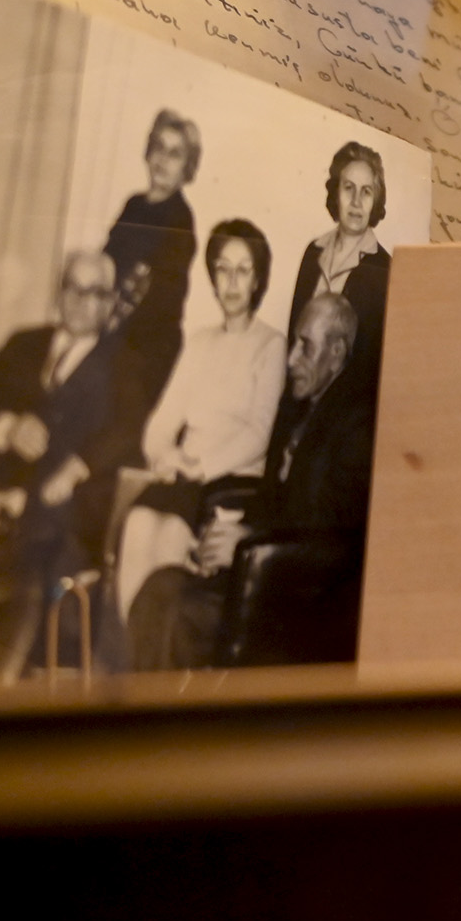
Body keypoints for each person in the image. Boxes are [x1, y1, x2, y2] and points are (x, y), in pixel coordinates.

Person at [128, 292, 376, 670]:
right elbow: (275, 497)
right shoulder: (300, 408)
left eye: (305, 347)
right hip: (260, 565)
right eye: (293, 343)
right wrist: (224, 529)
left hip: (294, 594)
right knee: (156, 588)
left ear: (337, 351)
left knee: (181, 613)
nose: (291, 359)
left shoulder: (357, 426)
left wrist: (246, 545)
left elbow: (332, 538)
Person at [114, 220, 287, 622]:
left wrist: (200, 467)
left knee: (171, 538)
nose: (232, 282)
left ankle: (159, 649)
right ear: (212, 276)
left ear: (257, 279)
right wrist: (165, 456)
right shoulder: (199, 342)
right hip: (184, 478)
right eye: (223, 269)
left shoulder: (271, 345)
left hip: (229, 483)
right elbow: (161, 423)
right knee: (137, 523)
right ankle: (128, 648)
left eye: (243, 270)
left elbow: (260, 433)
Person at [0, 249, 127, 495]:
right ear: (59, 294)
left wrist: (73, 471)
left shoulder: (120, 361)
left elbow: (123, 430)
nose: (79, 300)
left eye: (93, 292)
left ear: (110, 303)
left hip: (54, 496)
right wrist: (8, 428)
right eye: (72, 287)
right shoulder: (24, 343)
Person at [104, 110, 201, 408]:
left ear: (187, 167)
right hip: (116, 328)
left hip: (147, 345)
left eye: (174, 154)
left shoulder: (180, 219)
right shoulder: (134, 205)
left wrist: (109, 323)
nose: (162, 159)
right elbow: (107, 262)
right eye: (158, 147)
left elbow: (155, 294)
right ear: (148, 152)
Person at [288, 140, 392, 406]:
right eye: (348, 188)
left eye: (366, 192)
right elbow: (294, 334)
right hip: (300, 395)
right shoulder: (313, 252)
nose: (356, 202)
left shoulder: (384, 268)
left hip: (346, 410)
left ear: (376, 200)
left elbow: (371, 365)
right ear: (336, 192)